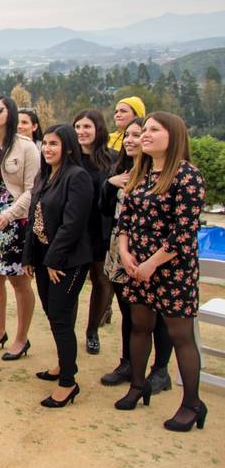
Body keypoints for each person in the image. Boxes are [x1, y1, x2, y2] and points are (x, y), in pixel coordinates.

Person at [114, 112, 208, 432]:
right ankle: (138, 386)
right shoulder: (139, 172)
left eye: (154, 130)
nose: (145, 135)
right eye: (145, 130)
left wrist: (151, 264)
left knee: (180, 336)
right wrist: (126, 255)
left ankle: (192, 403)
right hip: (137, 266)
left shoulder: (187, 176)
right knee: (139, 327)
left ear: (174, 135)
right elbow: (124, 222)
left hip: (172, 269)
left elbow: (183, 232)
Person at [23, 125, 94, 408]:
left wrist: (54, 260)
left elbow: (72, 224)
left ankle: (68, 382)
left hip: (68, 261)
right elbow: (34, 217)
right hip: (42, 258)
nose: (48, 149)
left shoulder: (77, 177)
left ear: (67, 147)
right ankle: (63, 366)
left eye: (54, 144)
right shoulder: (44, 176)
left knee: (61, 318)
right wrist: (29, 257)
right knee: (53, 316)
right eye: (46, 144)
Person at [100, 118, 173, 391]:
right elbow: (105, 210)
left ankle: (160, 370)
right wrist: (110, 183)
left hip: (155, 255)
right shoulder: (120, 169)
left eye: (137, 133)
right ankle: (129, 362)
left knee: (159, 316)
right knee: (128, 312)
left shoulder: (162, 174)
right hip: (121, 251)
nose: (131, 139)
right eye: (127, 135)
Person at [0, 96, 40, 360]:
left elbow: (33, 189)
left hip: (16, 223)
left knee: (19, 281)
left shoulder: (26, 147)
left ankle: (22, 338)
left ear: (9, 114)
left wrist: (9, 215)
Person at [73, 109, 116, 355]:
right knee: (73, 284)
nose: (81, 132)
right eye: (77, 127)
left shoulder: (113, 159)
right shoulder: (70, 158)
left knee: (101, 281)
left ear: (98, 129)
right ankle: (68, 330)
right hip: (76, 231)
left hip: (101, 230)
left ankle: (92, 331)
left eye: (86, 127)